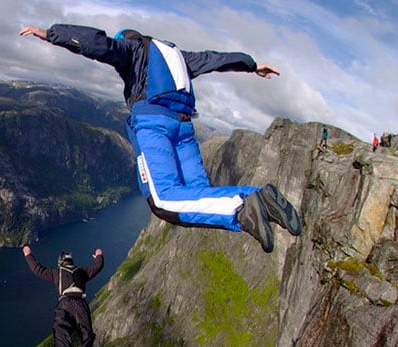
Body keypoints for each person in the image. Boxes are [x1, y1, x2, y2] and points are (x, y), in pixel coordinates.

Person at [19, 24, 301, 253]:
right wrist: (250, 65)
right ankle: (262, 203)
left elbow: (100, 45)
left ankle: (249, 202)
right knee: (197, 198)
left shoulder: (133, 47)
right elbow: (214, 59)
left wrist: (51, 35)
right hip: (185, 129)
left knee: (163, 201)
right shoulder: (176, 55)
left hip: (155, 126)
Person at [22, 245, 104, 347]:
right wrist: (99, 255)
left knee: (61, 328)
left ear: (60, 262)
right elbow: (98, 266)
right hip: (80, 304)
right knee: (86, 333)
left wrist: (28, 254)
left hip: (64, 304)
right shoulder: (83, 272)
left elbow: (37, 269)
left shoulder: (56, 273)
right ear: (71, 261)